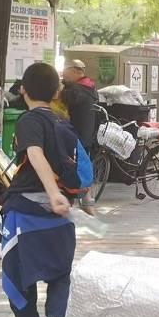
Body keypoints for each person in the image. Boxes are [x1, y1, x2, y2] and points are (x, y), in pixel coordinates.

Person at [1, 63, 74, 317]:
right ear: (57, 92)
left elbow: (34, 153)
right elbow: (79, 168)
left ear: (23, 90)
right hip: (60, 216)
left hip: (25, 212)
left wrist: (52, 192)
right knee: (60, 274)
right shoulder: (63, 123)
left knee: (18, 276)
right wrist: (70, 199)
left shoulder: (29, 120)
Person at [61, 60, 99, 215]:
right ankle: (87, 205)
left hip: (77, 137)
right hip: (87, 135)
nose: (63, 74)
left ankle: (86, 206)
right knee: (83, 168)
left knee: (77, 170)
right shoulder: (90, 87)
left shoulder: (78, 89)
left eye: (66, 71)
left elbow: (66, 98)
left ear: (76, 71)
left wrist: (60, 88)